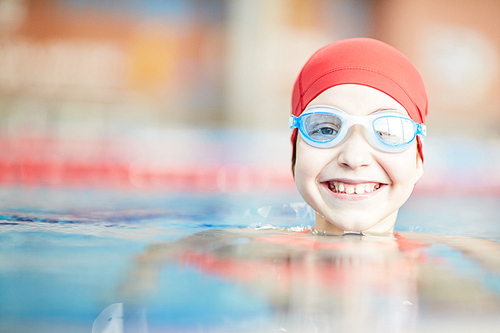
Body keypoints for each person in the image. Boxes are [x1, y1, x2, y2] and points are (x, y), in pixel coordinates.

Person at [289, 37, 427, 236]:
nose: (354, 159)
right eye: (326, 130)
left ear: (418, 160)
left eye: (385, 132)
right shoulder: (257, 260)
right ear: (294, 154)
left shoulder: (461, 259)